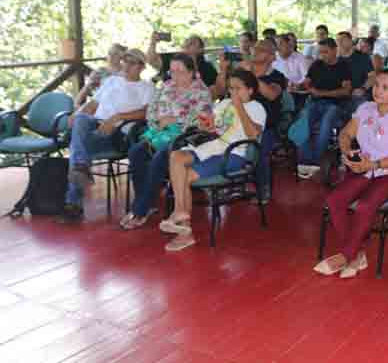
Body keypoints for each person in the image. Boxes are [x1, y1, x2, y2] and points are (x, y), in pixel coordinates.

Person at [313, 69, 388, 278]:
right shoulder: (365, 109)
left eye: (385, 87)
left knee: (365, 206)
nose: (377, 91)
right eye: (376, 85)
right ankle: (356, 253)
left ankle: (345, 255)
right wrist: (347, 151)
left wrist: (374, 164)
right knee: (335, 200)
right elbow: (345, 133)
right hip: (363, 167)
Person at [162, 69, 267, 251]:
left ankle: (184, 232)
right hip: (213, 147)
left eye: (238, 88)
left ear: (250, 90)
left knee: (183, 177)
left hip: (234, 154)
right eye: (230, 88)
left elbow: (252, 135)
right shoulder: (224, 103)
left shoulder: (256, 107)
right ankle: (180, 211)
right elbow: (212, 127)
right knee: (175, 156)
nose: (233, 92)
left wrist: (239, 107)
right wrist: (205, 125)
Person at [58, 49, 156, 223]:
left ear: (141, 67)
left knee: (77, 149)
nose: (126, 65)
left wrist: (117, 117)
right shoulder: (111, 81)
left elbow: (146, 113)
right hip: (94, 125)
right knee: (80, 120)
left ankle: (73, 204)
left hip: (117, 132)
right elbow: (93, 104)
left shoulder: (146, 87)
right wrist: (77, 113)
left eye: (132, 62)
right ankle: (81, 167)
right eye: (125, 60)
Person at [120, 54, 213, 230]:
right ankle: (146, 203)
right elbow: (151, 112)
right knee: (136, 152)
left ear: (192, 72)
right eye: (173, 71)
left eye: (180, 71)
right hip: (159, 134)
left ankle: (140, 210)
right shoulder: (165, 86)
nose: (175, 76)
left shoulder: (201, 91)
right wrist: (158, 122)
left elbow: (202, 121)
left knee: (159, 159)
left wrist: (175, 120)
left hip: (184, 139)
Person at [218, 39, 286, 199]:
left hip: (264, 127)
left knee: (257, 148)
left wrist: (251, 75)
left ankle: (263, 188)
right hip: (233, 122)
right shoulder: (241, 72)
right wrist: (223, 70)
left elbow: (271, 94)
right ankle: (226, 182)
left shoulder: (277, 76)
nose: (255, 50)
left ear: (271, 57)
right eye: (255, 47)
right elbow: (221, 91)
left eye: (261, 49)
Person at [297, 38, 352, 178]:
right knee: (303, 121)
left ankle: (315, 161)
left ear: (335, 50)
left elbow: (346, 91)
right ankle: (306, 159)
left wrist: (321, 93)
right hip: (315, 102)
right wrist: (299, 86)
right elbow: (306, 82)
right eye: (320, 52)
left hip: (336, 105)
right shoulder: (316, 65)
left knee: (326, 122)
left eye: (325, 52)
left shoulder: (343, 66)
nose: (322, 55)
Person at [147, 33, 218, 88]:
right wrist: (153, 42)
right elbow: (151, 60)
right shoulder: (173, 59)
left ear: (200, 50)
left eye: (192, 43)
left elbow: (216, 88)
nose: (188, 43)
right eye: (187, 40)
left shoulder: (207, 67)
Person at [75, 43, 127, 107]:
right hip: (99, 105)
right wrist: (77, 104)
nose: (111, 56)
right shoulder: (100, 71)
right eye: (109, 53)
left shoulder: (127, 72)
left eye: (115, 54)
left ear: (121, 57)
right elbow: (86, 88)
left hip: (120, 105)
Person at [337, 31, 375, 103]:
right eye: (338, 40)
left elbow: (372, 77)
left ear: (351, 41)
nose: (340, 42)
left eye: (343, 40)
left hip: (358, 94)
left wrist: (363, 88)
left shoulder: (363, 57)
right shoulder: (336, 59)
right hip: (339, 94)